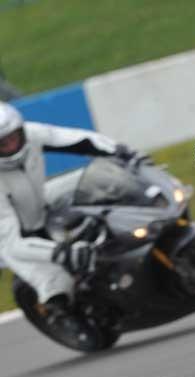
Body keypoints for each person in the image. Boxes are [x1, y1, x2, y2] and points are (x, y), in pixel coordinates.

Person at [0, 101, 142, 325]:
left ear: (20, 129)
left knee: (103, 178)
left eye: (12, 137)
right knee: (57, 284)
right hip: (11, 238)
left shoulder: (33, 134)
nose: (10, 145)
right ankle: (62, 315)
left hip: (40, 203)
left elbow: (78, 138)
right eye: (2, 143)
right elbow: (12, 243)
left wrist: (123, 153)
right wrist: (62, 253)